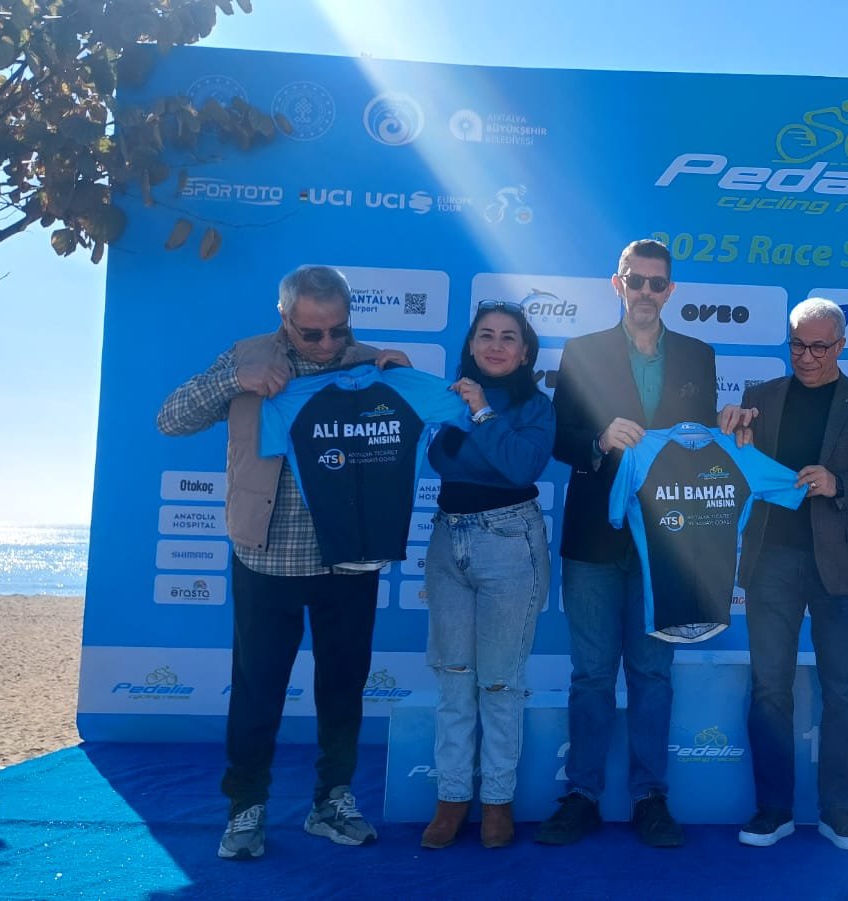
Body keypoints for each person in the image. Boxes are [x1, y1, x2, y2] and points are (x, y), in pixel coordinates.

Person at [156, 264, 410, 861]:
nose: (326, 344)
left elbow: (429, 434)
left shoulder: (373, 366)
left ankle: (333, 800)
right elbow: (170, 419)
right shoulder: (246, 358)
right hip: (266, 558)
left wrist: (405, 385)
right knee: (256, 691)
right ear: (284, 318)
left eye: (338, 330)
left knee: (343, 690)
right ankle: (245, 807)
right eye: (311, 332)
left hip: (349, 562)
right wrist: (233, 382)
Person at [538, 238, 718, 848]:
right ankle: (582, 795)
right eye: (634, 280)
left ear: (670, 291)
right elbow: (559, 438)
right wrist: (598, 439)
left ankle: (649, 797)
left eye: (655, 283)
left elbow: (703, 444)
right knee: (591, 674)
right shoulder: (582, 351)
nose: (644, 292)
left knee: (652, 673)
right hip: (593, 540)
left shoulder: (698, 355)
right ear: (617, 284)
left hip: (667, 541)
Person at [718, 298, 848, 850]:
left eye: (819, 347)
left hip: (843, 566)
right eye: (797, 345)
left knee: (843, 691)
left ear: (841, 346)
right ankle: (773, 810)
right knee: (769, 689)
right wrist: (732, 439)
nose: (806, 356)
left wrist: (839, 483)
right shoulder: (758, 398)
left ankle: (839, 811)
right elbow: (735, 472)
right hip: (770, 559)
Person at [418, 301, 555, 851]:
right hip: (447, 540)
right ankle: (452, 798)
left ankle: (497, 800)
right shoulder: (451, 396)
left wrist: (481, 414)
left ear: (525, 352)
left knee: (499, 681)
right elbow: (441, 462)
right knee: (454, 678)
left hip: (509, 542)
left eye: (508, 337)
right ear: (471, 345)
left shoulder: (536, 407)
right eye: (486, 335)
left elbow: (522, 467)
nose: (496, 345)